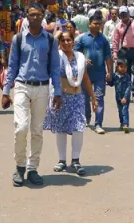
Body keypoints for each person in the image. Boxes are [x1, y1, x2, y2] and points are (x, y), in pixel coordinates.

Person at [2, 3, 62, 187]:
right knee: (21, 127)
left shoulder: (51, 40)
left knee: (37, 131)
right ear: (27, 17)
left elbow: (54, 68)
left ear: (43, 16)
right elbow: (12, 66)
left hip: (42, 89)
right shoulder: (18, 39)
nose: (35, 18)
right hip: (22, 86)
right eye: (32, 15)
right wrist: (6, 91)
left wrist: (57, 92)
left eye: (38, 15)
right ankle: (19, 166)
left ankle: (32, 168)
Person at [44, 30, 96, 176]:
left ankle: (76, 160)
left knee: (79, 127)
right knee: (61, 128)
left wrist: (93, 97)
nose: (66, 43)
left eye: (69, 40)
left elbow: (85, 78)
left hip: (77, 97)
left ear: (73, 41)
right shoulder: (56, 57)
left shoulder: (80, 57)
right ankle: (61, 160)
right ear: (59, 43)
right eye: (63, 40)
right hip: (61, 97)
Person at [75, 12, 112, 134]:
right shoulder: (82, 38)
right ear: (89, 24)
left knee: (99, 98)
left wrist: (110, 72)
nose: (97, 26)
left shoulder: (104, 40)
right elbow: (74, 54)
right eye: (95, 24)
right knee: (85, 98)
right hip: (85, 74)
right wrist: (83, 59)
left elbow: (108, 56)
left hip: (100, 74)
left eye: (99, 24)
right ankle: (87, 116)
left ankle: (98, 124)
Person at [112, 60, 131, 133]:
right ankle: (122, 123)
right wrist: (107, 78)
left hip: (125, 97)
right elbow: (111, 83)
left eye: (125, 67)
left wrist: (125, 97)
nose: (123, 68)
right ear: (117, 67)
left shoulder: (127, 77)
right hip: (118, 97)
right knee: (120, 111)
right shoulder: (115, 75)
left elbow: (129, 87)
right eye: (121, 67)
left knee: (124, 110)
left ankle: (126, 124)